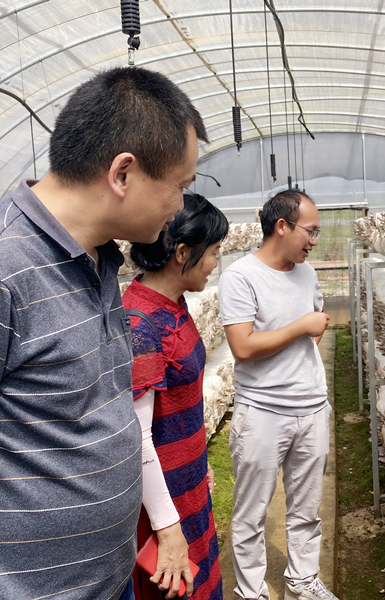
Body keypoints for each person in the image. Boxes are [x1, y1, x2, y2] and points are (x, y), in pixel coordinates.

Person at [0, 66, 207, 600]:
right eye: (180, 186)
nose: (181, 206)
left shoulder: (98, 262)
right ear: (122, 174)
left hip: (101, 580)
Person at [218, 189, 335, 600]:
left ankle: (303, 582)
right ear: (281, 226)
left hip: (312, 408)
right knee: (251, 514)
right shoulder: (240, 275)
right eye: (311, 231)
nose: (314, 241)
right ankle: (252, 592)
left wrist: (303, 344)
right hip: (263, 413)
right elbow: (243, 347)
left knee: (306, 510)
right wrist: (301, 326)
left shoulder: (307, 274)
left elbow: (315, 331)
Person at [123, 192, 227, 600]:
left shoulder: (175, 305)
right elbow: (139, 438)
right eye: (214, 252)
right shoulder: (141, 325)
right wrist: (167, 530)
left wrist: (196, 467)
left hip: (187, 489)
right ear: (182, 252)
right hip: (161, 508)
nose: (216, 263)